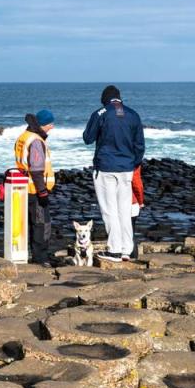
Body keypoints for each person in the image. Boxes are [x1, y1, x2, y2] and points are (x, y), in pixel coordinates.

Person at [83, 85, 145, 262]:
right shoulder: (133, 114)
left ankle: (114, 249)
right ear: (119, 98)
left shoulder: (101, 113)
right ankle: (127, 249)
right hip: (127, 168)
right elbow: (140, 145)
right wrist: (133, 163)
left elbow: (88, 138)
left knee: (109, 209)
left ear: (105, 99)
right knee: (124, 209)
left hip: (106, 167)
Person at [14, 109, 56, 265]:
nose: (52, 127)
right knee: (41, 225)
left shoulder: (23, 137)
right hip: (35, 191)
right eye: (51, 124)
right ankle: (40, 259)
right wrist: (43, 192)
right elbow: (37, 170)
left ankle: (32, 255)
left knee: (30, 224)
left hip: (23, 188)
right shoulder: (36, 141)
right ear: (44, 124)